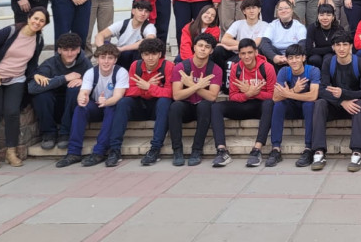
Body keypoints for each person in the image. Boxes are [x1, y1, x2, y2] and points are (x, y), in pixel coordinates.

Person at [0, 8, 48, 169]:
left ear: (44, 24)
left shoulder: (39, 40)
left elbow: (32, 64)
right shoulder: (9, 32)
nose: (37, 22)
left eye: (42, 21)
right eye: (35, 18)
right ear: (29, 18)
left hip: (16, 79)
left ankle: (11, 153)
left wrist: (35, 75)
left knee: (12, 112)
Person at [55, 43, 129, 168]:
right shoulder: (91, 72)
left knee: (111, 109)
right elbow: (84, 91)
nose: (106, 61)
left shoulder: (121, 72)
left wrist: (105, 102)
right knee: (80, 108)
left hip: (110, 105)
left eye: (110, 58)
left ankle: (99, 151)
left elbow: (117, 97)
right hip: (96, 106)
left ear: (115, 60)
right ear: (97, 59)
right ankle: (73, 152)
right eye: (102, 57)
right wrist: (81, 98)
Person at [112, 37, 175, 167]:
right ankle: (115, 149)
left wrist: (149, 87)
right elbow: (128, 91)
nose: (150, 58)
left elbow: (171, 93)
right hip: (140, 105)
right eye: (146, 54)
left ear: (160, 54)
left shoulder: (168, 66)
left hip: (158, 107)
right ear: (141, 55)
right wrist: (145, 88)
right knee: (123, 102)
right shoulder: (136, 65)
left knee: (165, 102)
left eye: (154, 54)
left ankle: (155, 148)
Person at [312, 32, 361, 171]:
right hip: (335, 106)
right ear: (333, 47)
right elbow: (321, 90)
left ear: (351, 46)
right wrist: (342, 101)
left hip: (354, 106)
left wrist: (344, 94)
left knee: (359, 104)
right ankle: (318, 151)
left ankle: (357, 151)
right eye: (338, 45)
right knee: (320, 103)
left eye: (345, 44)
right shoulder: (328, 62)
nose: (342, 48)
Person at [167, 32, 223, 167]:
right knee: (175, 107)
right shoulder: (181, 67)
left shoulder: (215, 69)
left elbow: (212, 97)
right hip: (186, 106)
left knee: (205, 105)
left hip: (202, 109)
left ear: (211, 51)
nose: (203, 49)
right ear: (194, 47)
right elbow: (177, 96)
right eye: (200, 45)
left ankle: (196, 150)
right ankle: (177, 151)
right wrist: (198, 86)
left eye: (207, 47)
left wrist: (192, 85)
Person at [29, 32, 91, 150]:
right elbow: (32, 88)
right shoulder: (49, 64)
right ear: (59, 50)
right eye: (66, 50)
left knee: (75, 89)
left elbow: (95, 83)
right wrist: (65, 78)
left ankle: (65, 133)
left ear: (78, 50)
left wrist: (84, 82)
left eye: (73, 50)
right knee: (42, 95)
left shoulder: (85, 63)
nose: (69, 53)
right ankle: (49, 133)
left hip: (72, 106)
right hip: (52, 106)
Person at [225, 39, 278, 168]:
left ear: (256, 52)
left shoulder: (267, 67)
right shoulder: (236, 69)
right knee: (215, 107)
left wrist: (253, 92)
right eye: (243, 53)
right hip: (244, 103)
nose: (247, 56)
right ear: (239, 55)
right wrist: (247, 94)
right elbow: (232, 96)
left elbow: (273, 95)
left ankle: (257, 149)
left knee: (269, 104)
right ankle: (221, 150)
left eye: (250, 52)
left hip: (260, 106)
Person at [269, 43, 321, 169]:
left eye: (297, 57)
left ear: (303, 58)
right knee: (278, 105)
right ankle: (276, 149)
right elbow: (275, 98)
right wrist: (294, 91)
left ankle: (308, 148)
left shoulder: (313, 71)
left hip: (307, 109)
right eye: (291, 58)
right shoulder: (284, 71)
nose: (294, 61)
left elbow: (313, 96)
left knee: (309, 105)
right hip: (291, 108)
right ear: (286, 59)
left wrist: (287, 93)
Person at [95, 0, 158, 70]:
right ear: (133, 11)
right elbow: (99, 35)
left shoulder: (149, 27)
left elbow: (149, 40)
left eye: (146, 11)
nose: (143, 13)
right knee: (107, 49)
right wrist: (103, 49)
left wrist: (123, 48)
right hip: (120, 55)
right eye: (140, 10)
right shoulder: (123, 24)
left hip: (136, 56)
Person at [215, 0, 267, 70]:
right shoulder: (238, 23)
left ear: (259, 10)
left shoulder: (265, 25)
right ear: (244, 11)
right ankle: (221, 75)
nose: (251, 11)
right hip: (236, 52)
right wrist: (240, 45)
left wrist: (230, 47)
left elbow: (255, 44)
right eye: (248, 8)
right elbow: (225, 39)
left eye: (254, 8)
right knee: (218, 49)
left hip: (252, 53)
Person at [259, 0, 308, 69]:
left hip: (294, 56)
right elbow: (264, 43)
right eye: (280, 9)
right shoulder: (272, 25)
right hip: (276, 56)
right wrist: (274, 57)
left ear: (292, 10)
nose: (283, 11)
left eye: (286, 8)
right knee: (261, 48)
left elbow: (302, 45)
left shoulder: (299, 26)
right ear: (277, 12)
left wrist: (290, 58)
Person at [306, 3, 341, 68]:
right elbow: (309, 50)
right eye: (321, 15)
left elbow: (339, 48)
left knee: (329, 59)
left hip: (331, 54)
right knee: (314, 60)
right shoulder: (312, 28)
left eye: (328, 15)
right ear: (318, 16)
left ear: (333, 17)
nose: (325, 18)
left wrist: (332, 49)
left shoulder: (338, 29)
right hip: (316, 54)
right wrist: (330, 48)